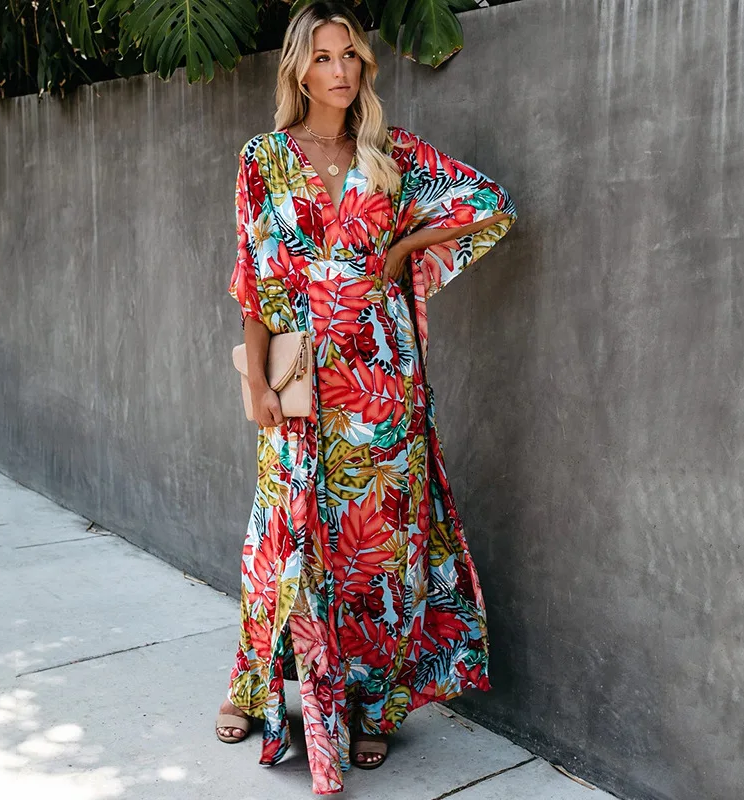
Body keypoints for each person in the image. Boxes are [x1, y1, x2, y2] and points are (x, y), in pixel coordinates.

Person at [215, 1, 518, 794]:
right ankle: (251, 687)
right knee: (280, 543)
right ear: (298, 70)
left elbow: (492, 205)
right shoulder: (264, 159)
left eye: (350, 55)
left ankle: (373, 707)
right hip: (302, 386)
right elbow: (253, 282)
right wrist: (258, 382)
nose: (340, 70)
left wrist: (405, 247)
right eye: (323, 57)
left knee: (377, 555)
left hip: (384, 386)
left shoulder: (392, 153)